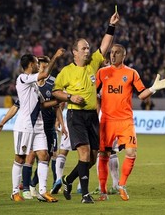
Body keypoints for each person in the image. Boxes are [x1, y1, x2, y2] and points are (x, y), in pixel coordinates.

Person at [52, 11, 120, 204]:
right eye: (83, 48)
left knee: (91, 158)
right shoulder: (67, 71)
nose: (87, 50)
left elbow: (105, 46)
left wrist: (111, 25)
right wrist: (70, 96)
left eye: (88, 47)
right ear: (75, 52)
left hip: (91, 116)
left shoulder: (93, 64)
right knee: (83, 153)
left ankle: (68, 180)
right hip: (75, 116)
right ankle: (85, 195)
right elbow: (56, 91)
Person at [95, 43, 165, 201]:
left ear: (124, 56)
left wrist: (153, 88)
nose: (113, 55)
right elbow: (93, 93)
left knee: (131, 152)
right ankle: (102, 190)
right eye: (111, 52)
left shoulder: (131, 73)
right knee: (103, 154)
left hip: (125, 121)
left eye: (117, 53)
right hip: (107, 120)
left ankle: (121, 185)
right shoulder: (102, 72)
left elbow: (142, 95)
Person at [8, 51, 63, 202]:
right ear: (31, 64)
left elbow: (43, 104)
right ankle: (14, 192)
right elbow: (44, 75)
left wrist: (61, 100)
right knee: (20, 157)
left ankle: (43, 191)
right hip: (25, 126)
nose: (38, 66)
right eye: (37, 63)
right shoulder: (23, 78)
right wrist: (55, 57)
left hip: (38, 126)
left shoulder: (33, 85)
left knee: (44, 155)